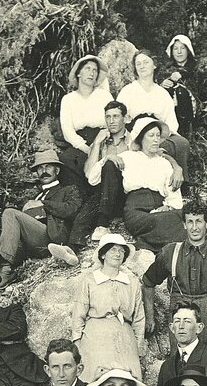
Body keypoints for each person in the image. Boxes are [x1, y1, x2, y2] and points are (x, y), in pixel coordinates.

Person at [0, 150, 85, 284]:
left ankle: (6, 270)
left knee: (10, 213)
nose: (43, 171)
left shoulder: (68, 190)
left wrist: (44, 204)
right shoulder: (36, 196)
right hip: (26, 246)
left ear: (57, 170)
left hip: (50, 239)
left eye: (48, 167)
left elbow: (72, 210)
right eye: (40, 168)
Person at [142, 199, 207, 347]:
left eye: (198, 221)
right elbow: (148, 282)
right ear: (184, 225)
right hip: (180, 317)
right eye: (190, 222)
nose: (194, 227)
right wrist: (150, 317)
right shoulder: (170, 252)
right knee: (182, 364)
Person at [104, 116, 187, 252]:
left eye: (158, 135)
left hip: (159, 207)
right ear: (141, 138)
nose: (156, 140)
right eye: (151, 135)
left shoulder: (165, 163)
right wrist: (109, 157)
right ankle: (160, 248)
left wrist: (168, 207)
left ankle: (149, 245)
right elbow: (93, 177)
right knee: (158, 222)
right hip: (136, 210)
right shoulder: (128, 157)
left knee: (181, 216)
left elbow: (174, 196)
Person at [71, 234, 146, 380]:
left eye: (121, 251)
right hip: (96, 338)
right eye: (113, 250)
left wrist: (138, 345)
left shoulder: (132, 283)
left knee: (127, 381)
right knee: (97, 381)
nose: (118, 254)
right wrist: (77, 343)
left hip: (124, 337)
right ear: (103, 254)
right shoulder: (90, 280)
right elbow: (78, 313)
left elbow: (139, 317)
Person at [116, 50, 190, 178]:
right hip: (135, 136)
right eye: (138, 64)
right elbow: (119, 118)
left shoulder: (162, 93)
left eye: (146, 62)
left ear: (154, 65)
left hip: (158, 136)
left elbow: (171, 121)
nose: (142, 66)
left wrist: (161, 137)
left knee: (182, 143)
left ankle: (180, 185)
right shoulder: (127, 91)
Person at [83, 100, 131, 241]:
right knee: (83, 215)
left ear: (125, 118)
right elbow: (88, 174)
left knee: (110, 165)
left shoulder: (133, 140)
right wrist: (97, 144)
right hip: (103, 195)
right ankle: (71, 249)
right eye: (108, 117)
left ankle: (102, 224)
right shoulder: (101, 141)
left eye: (116, 116)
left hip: (125, 195)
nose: (111, 121)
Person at [57, 55, 113, 176]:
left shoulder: (104, 96)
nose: (91, 73)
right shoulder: (68, 99)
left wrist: (99, 145)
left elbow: (113, 119)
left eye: (95, 70)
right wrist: (87, 149)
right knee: (67, 161)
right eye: (87, 69)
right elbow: (68, 131)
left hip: (102, 139)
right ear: (78, 73)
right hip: (80, 143)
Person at [160, 34, 198, 139]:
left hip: (193, 115)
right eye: (176, 49)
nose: (179, 52)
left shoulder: (196, 68)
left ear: (188, 50)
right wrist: (163, 84)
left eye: (182, 48)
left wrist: (182, 74)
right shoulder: (167, 70)